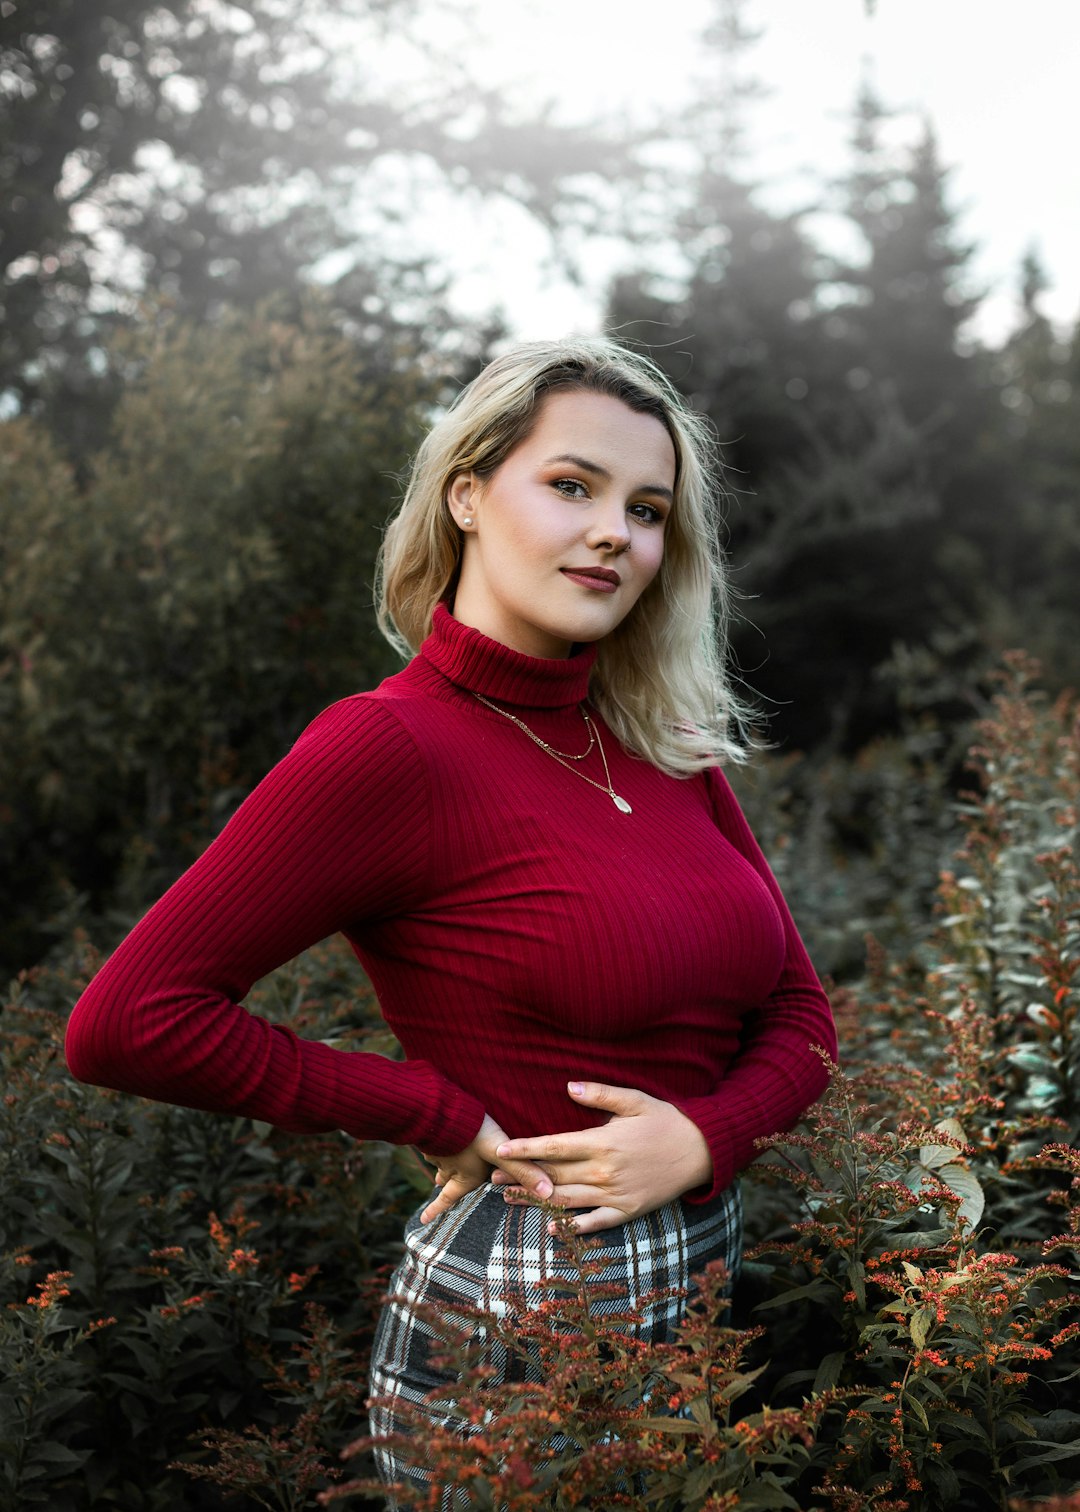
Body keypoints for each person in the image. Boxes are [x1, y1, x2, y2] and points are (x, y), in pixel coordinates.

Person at [66, 336, 837, 1505]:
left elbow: (801, 1010)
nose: (613, 534)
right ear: (468, 494)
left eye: (646, 508)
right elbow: (126, 1022)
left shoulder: (660, 747)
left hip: (704, 1273)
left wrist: (704, 1138)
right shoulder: (388, 747)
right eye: (570, 486)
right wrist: (424, 1105)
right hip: (520, 1305)